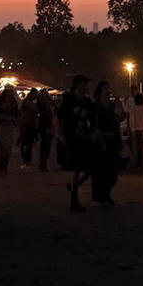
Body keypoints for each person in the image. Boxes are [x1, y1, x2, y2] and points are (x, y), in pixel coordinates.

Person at [57, 76, 95, 212]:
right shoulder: (68, 99)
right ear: (79, 85)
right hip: (72, 138)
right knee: (77, 168)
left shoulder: (87, 102)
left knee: (89, 168)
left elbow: (93, 118)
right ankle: (74, 199)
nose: (86, 87)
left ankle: (74, 187)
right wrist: (60, 134)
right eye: (85, 84)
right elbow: (60, 117)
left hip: (84, 138)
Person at [88, 79, 124, 207]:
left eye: (109, 88)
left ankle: (106, 193)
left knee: (113, 170)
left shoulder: (113, 105)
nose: (108, 91)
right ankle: (101, 196)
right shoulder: (96, 105)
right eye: (106, 89)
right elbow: (94, 122)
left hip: (113, 139)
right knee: (100, 170)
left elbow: (118, 120)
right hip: (101, 140)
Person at [0, 83, 21, 174]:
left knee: (8, 148)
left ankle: (4, 166)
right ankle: (2, 167)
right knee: (4, 147)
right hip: (1, 126)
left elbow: (16, 113)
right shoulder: (0, 101)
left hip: (10, 126)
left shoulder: (14, 102)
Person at [126, 88, 143, 174]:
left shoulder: (134, 108)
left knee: (135, 151)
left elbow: (131, 120)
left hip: (136, 131)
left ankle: (133, 168)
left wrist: (133, 131)